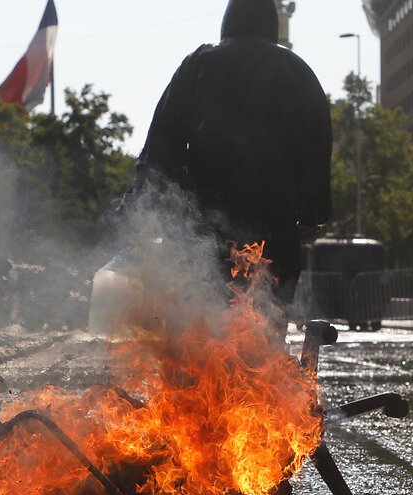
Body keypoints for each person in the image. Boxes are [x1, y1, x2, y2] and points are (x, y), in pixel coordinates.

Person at [135, 0, 333, 314]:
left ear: (228, 22)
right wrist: (314, 214)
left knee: (202, 328)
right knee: (266, 328)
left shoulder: (198, 64)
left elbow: (161, 145)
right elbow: (318, 148)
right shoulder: (297, 71)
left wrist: (144, 209)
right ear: (272, 25)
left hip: (204, 230)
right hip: (274, 231)